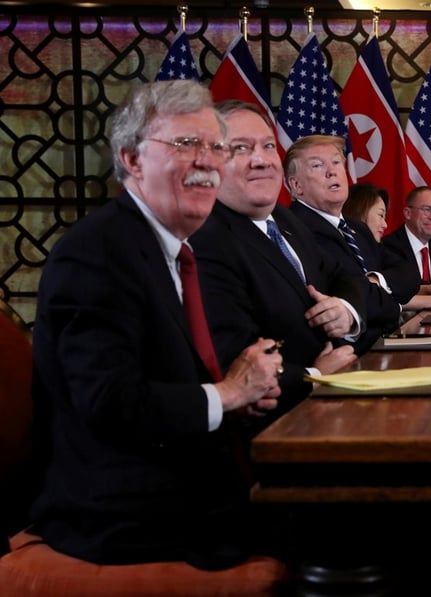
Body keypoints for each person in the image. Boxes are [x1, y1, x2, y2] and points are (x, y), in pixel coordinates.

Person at [29, 81, 285, 571]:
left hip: (195, 485)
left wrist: (238, 401)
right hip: (127, 511)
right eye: (186, 144)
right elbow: (111, 403)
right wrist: (228, 394)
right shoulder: (98, 251)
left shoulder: (176, 248)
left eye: (215, 147)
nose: (208, 161)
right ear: (131, 158)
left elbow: (169, 380)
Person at [189, 100, 361, 416]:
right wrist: (315, 376)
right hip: (283, 422)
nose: (261, 160)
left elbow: (347, 276)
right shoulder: (206, 240)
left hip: (340, 398)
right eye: (240, 148)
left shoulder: (286, 219)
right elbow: (232, 364)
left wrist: (345, 309)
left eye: (268, 146)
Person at [285, 135, 404, 355]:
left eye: (336, 162)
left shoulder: (357, 228)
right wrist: (394, 305)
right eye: (317, 165)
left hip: (383, 346)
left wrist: (376, 281)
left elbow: (407, 273)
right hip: (350, 355)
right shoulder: (298, 229)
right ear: (296, 186)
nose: (332, 171)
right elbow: (360, 293)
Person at [344, 183, 431, 311]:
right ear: (360, 213)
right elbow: (386, 300)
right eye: (380, 215)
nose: (385, 225)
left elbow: (408, 278)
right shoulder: (388, 244)